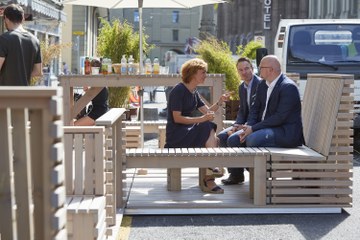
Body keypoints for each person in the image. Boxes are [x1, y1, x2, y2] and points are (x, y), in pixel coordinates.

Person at [165, 58, 229, 194]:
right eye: (203, 72)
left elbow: (208, 112)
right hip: (176, 134)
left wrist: (219, 102)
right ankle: (210, 176)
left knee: (211, 132)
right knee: (208, 130)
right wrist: (201, 119)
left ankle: (210, 173)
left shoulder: (194, 92)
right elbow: (177, 118)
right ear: (192, 73)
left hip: (187, 132)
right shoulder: (179, 90)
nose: (205, 75)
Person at [239, 55, 304, 148]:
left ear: (270, 70)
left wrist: (253, 128)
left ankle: (259, 163)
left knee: (252, 139)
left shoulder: (288, 87)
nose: (258, 70)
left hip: (284, 132)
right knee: (232, 139)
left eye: (260, 67)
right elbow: (254, 109)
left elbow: (279, 118)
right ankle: (243, 163)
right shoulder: (262, 84)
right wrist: (249, 126)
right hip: (263, 127)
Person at [217, 57, 261, 185]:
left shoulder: (260, 85)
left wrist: (244, 127)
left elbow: (257, 111)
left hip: (256, 124)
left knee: (233, 139)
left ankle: (242, 171)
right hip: (244, 122)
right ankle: (236, 174)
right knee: (221, 136)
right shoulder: (242, 87)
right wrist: (236, 125)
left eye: (247, 68)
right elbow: (242, 111)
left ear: (252, 69)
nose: (244, 72)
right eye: (240, 70)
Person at [0, 4, 42, 86]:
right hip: (24, 95)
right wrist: (21, 75)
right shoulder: (35, 40)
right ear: (23, 19)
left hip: (5, 94)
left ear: (6, 19)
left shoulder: (4, 39)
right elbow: (38, 71)